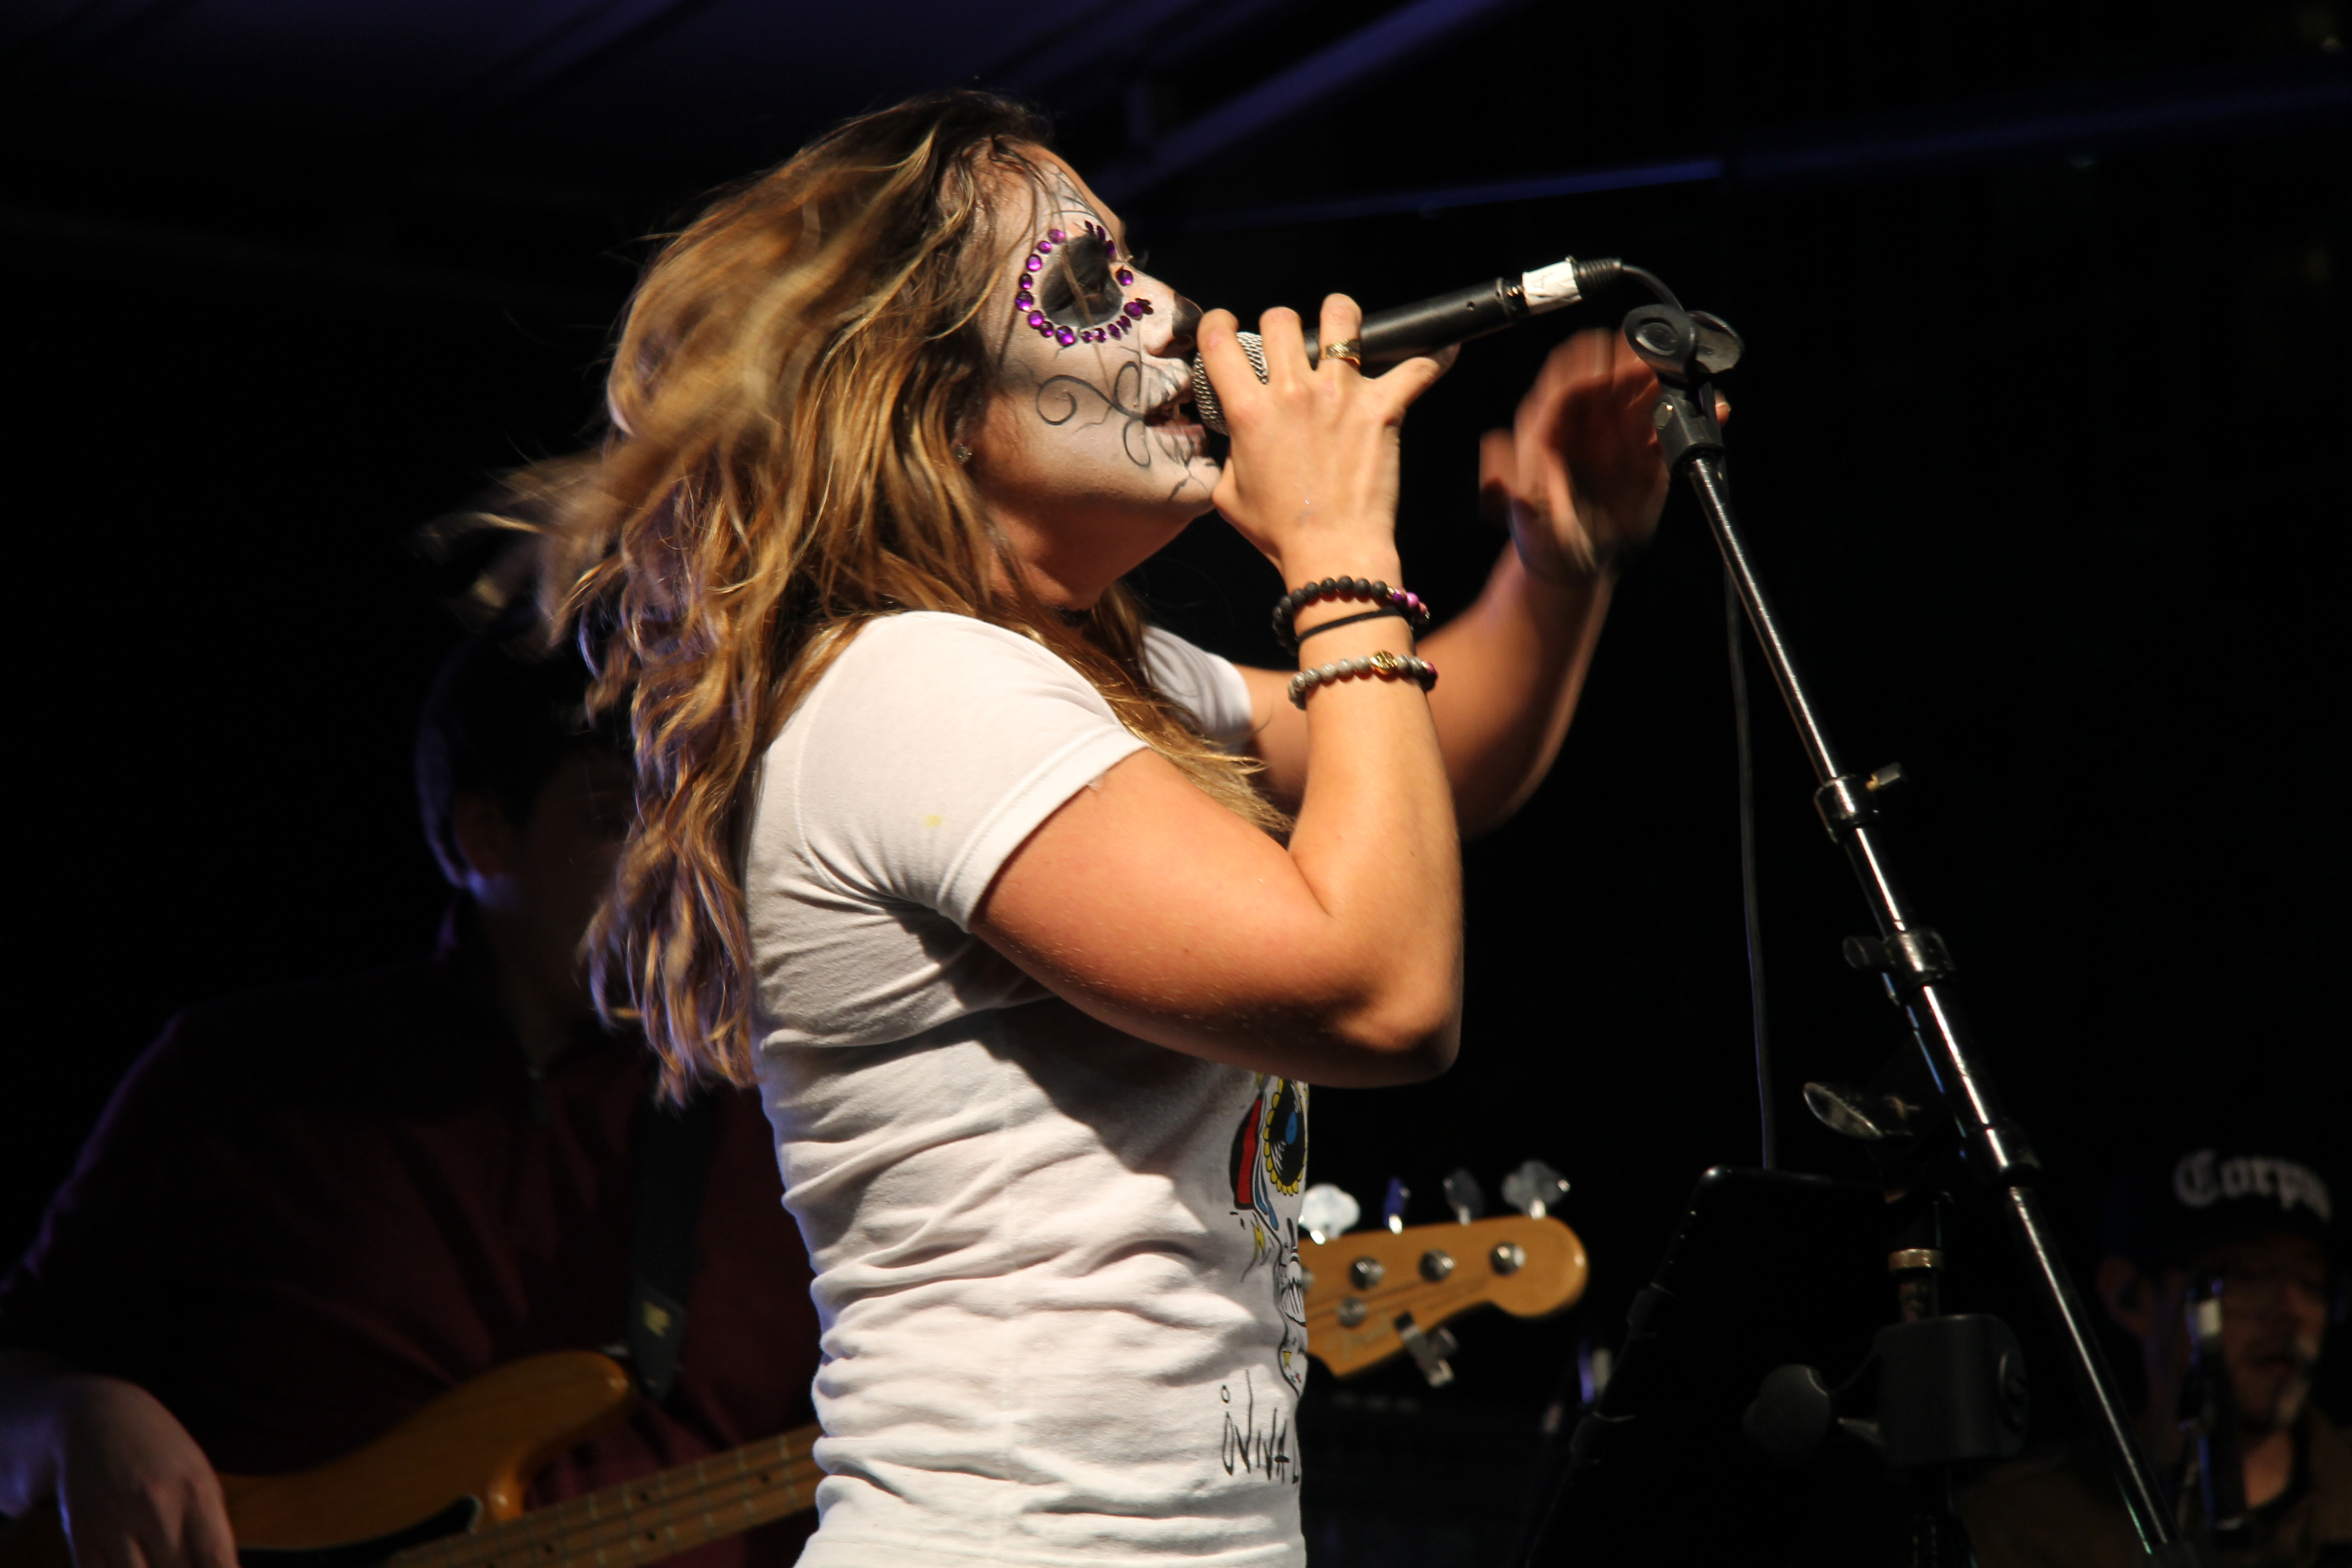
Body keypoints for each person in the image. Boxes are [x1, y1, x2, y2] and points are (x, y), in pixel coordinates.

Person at [533, 90, 1683, 1567]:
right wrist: (1337, 551)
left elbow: (1417, 773)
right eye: (1086, 285)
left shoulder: (1079, 676)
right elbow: (1380, 989)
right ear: (928, 400)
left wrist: (1554, 562)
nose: (1173, 314)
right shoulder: (915, 687)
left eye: (1134, 265)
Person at [0, 626, 823, 1568]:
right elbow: (17, 1370)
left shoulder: (784, 1097)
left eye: (696, 820)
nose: (677, 867)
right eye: (612, 819)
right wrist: (77, 1416)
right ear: (483, 835)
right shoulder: (243, 1074)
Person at [1961, 1142, 2349, 1566]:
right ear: (2129, 1298)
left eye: (2311, 1281)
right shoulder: (2027, 1526)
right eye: (2248, 1275)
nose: (2293, 1312)